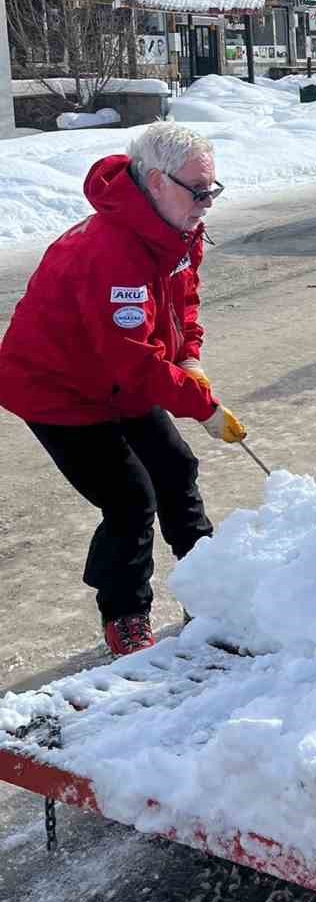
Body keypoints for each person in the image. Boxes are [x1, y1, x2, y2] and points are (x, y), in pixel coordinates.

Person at [0, 122, 248, 657]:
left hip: (116, 376)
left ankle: (209, 587)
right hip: (58, 388)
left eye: (213, 189)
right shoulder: (110, 251)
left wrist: (189, 356)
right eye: (198, 190)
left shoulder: (176, 230)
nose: (207, 201)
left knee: (176, 468)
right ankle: (125, 614)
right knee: (131, 496)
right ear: (156, 182)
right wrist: (201, 404)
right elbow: (131, 361)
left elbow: (183, 303)